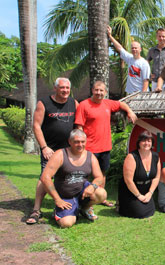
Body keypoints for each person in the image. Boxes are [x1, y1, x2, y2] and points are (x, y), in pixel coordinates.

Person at [75, 80, 137, 207]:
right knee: (85, 174)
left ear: (105, 92)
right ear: (92, 90)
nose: (98, 93)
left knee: (102, 173)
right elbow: (79, 126)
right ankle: (83, 198)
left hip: (105, 146)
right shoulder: (84, 105)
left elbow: (121, 104)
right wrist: (81, 145)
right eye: (96, 90)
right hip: (89, 147)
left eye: (101, 90)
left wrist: (130, 111)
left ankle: (100, 197)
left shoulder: (107, 104)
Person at [26, 78, 78, 225]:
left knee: (68, 178)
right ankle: (36, 209)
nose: (65, 91)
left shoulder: (73, 103)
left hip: (68, 150)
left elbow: (80, 122)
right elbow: (36, 125)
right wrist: (44, 147)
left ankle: (68, 207)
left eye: (67, 88)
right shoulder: (44, 103)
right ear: (55, 88)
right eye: (62, 88)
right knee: (45, 177)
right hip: (50, 149)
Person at [41, 129, 107, 228]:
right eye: (76, 142)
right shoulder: (60, 154)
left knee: (101, 194)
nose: (80, 144)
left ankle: (85, 209)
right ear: (70, 142)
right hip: (65, 196)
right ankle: (58, 212)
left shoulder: (90, 156)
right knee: (66, 223)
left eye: (82, 142)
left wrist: (92, 186)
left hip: (82, 193)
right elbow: (45, 177)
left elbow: (99, 177)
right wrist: (57, 199)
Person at [118, 131, 160, 218]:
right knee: (140, 213)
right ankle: (120, 205)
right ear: (139, 142)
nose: (146, 143)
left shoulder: (156, 156)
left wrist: (150, 193)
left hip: (146, 189)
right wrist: (139, 195)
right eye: (144, 140)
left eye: (149, 141)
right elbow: (128, 180)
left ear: (152, 143)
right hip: (130, 190)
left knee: (151, 211)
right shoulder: (132, 157)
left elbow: (156, 177)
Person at [107, 26, 150, 94]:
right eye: (132, 48)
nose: (134, 50)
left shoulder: (144, 63)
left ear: (140, 49)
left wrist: (143, 95)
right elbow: (120, 48)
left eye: (136, 48)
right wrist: (110, 36)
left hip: (140, 93)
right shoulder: (129, 58)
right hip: (130, 93)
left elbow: (146, 81)